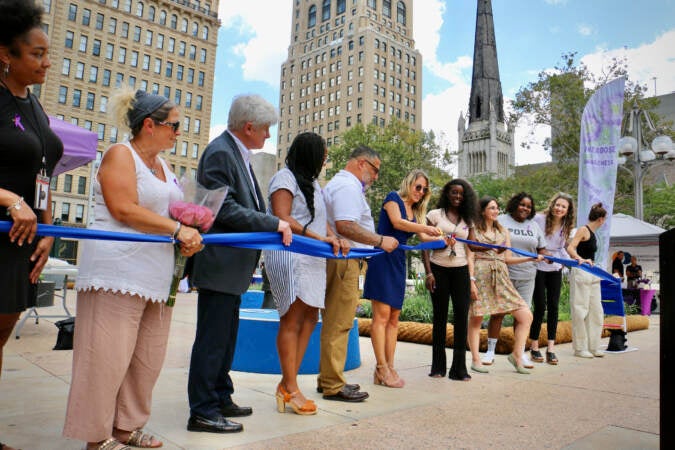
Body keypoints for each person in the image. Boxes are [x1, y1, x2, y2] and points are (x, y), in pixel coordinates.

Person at [63, 89, 203, 449]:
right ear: (148, 125)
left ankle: (127, 426)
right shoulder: (119, 155)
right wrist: (176, 229)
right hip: (116, 273)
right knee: (106, 358)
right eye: (173, 126)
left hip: (155, 276)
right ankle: (97, 437)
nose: (178, 133)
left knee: (146, 359)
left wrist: (192, 224)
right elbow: (123, 207)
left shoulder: (165, 166)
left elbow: (170, 211)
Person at [187, 94, 292, 433]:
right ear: (248, 127)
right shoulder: (221, 152)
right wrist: (272, 222)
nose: (268, 136)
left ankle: (220, 395)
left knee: (226, 337)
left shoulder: (237, 153)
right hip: (219, 264)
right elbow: (224, 209)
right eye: (265, 129)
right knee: (212, 340)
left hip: (232, 267)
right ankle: (203, 410)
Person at [0, 4, 62, 449]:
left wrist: (48, 226)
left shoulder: (34, 105)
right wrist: (7, 199)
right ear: (5, 53)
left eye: (47, 53)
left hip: (23, 239)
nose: (46, 62)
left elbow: (44, 171)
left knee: (1, 332)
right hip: (0, 230)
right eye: (37, 54)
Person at [263, 132, 348, 415]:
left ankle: (287, 384)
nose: (325, 158)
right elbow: (282, 217)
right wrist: (318, 238)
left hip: (312, 255)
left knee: (311, 317)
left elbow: (321, 222)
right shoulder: (284, 178)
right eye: (322, 153)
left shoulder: (313, 183)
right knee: (292, 317)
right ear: (309, 153)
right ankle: (291, 387)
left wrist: (334, 237)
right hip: (290, 253)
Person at [317, 146, 398, 402]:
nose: (375, 177)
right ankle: (332, 384)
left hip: (342, 259)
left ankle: (329, 378)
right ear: (362, 163)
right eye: (375, 170)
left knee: (335, 321)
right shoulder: (348, 187)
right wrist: (379, 240)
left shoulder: (342, 185)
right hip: (344, 260)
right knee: (339, 322)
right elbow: (346, 226)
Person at [363, 170, 441, 388]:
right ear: (409, 183)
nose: (421, 192)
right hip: (382, 259)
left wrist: (444, 240)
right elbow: (398, 224)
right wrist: (426, 227)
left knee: (394, 318)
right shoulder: (392, 198)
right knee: (382, 316)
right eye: (418, 187)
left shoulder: (415, 212)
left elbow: (425, 237)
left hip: (398, 261)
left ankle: (389, 366)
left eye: (425, 189)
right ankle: (381, 368)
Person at [467, 196, 535, 375]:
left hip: (502, 275)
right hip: (481, 275)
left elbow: (508, 258)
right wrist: (471, 281)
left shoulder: (503, 231)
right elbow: (470, 256)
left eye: (497, 208)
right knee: (476, 318)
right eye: (491, 208)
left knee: (526, 316)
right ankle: (476, 359)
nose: (496, 211)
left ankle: (517, 355)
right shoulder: (474, 230)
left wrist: (530, 257)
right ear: (482, 211)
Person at [422, 179, 478, 381]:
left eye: (461, 194)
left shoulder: (468, 219)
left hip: (461, 271)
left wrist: (494, 247)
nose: (457, 197)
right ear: (447, 193)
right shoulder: (435, 215)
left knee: (462, 318)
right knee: (440, 318)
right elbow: (423, 244)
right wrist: (429, 273)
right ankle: (438, 367)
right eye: (454, 192)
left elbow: (472, 246)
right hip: (439, 270)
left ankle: (459, 369)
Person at [482, 193, 546, 368]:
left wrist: (548, 258)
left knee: (522, 316)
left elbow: (542, 249)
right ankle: (490, 351)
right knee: (498, 313)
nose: (525, 208)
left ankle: (519, 353)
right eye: (522, 204)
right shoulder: (501, 220)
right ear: (515, 204)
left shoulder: (533, 226)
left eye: (529, 206)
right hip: (504, 274)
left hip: (527, 277)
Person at [529, 193, 575, 365]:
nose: (559, 208)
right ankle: (534, 346)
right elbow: (530, 238)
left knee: (554, 307)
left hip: (555, 267)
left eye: (564, 206)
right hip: (539, 266)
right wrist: (542, 253)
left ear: (568, 211)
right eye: (558, 205)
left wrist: (572, 259)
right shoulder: (539, 219)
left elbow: (563, 247)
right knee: (540, 306)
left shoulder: (565, 225)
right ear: (552, 204)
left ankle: (551, 348)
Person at [566, 202, 608, 358]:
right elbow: (570, 248)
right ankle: (580, 348)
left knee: (596, 310)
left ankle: (594, 346)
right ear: (601, 219)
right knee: (580, 310)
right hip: (582, 271)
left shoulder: (593, 233)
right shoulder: (583, 230)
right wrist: (579, 259)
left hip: (593, 273)